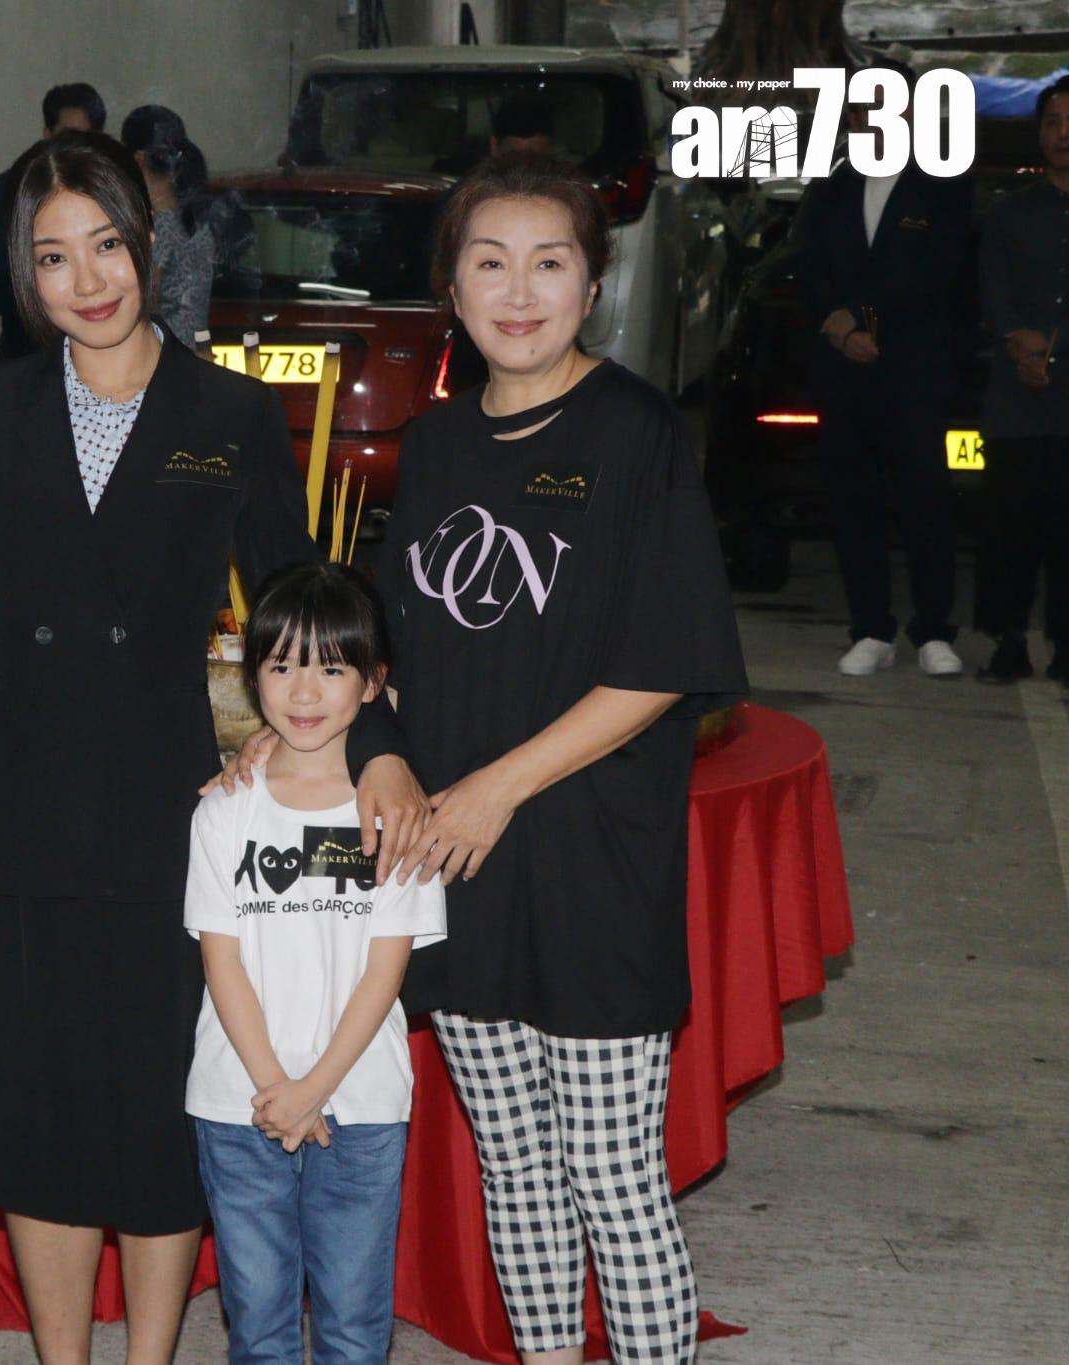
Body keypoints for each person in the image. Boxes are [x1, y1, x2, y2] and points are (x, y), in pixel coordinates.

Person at [222, 152, 746, 1364]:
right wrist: (379, 756)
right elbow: (387, 653)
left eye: (547, 263)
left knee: (611, 1174)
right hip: (453, 863)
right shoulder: (439, 443)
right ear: (449, 290)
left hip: (591, 860)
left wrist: (495, 789)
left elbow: (665, 663)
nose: (518, 292)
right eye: (488, 263)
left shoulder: (634, 433)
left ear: (590, 285)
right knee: (512, 1165)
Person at [0, 130, 317, 1364]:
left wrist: (322, 745)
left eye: (103, 247)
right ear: (21, 276)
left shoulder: (228, 413)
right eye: (50, 258)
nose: (84, 281)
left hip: (162, 810)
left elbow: (299, 614)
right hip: (11, 812)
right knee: (36, 1117)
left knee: (152, 1110)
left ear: (145, 248)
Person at [186, 562, 447, 1365]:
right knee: (258, 1326)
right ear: (251, 674)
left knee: (354, 1326)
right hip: (240, 1103)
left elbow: (385, 973)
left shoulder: (397, 815)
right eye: (282, 664)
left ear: (373, 682)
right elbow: (221, 960)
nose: (304, 691)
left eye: (331, 668)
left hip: (360, 1103)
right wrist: (277, 1089)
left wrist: (312, 1090)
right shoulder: (224, 809)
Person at [797, 77, 973, 677]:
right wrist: (838, 328)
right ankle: (871, 628)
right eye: (862, 109)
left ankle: (934, 631)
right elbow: (809, 266)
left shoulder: (943, 183)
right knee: (854, 503)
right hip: (844, 371)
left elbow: (939, 270)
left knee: (926, 503)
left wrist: (861, 316)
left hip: (913, 370)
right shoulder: (832, 186)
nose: (873, 119)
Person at [973, 74, 1069, 685]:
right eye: (1053, 123)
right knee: (1009, 526)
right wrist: (1017, 339)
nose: (1064, 134)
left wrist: (1054, 342)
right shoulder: (1010, 212)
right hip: (1018, 391)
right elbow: (992, 287)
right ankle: (1007, 641)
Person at [0, 83, 108, 360]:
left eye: (85, 136)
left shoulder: (110, 186)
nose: (75, 146)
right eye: (67, 135)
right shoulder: (16, 183)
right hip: (28, 339)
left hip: (98, 334)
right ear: (48, 134)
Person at [122, 105, 218, 343]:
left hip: (161, 356)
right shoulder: (196, 220)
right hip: (190, 353)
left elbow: (140, 307)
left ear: (137, 159)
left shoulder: (157, 228)